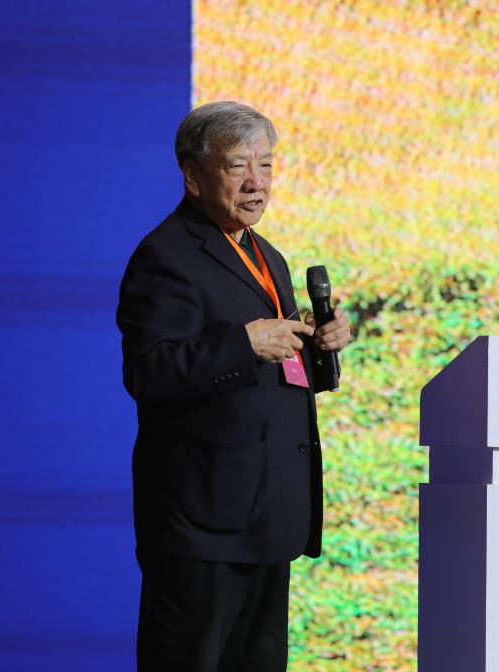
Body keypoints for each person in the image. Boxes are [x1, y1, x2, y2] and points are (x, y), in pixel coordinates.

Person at [116, 101, 351, 671]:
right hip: (203, 523)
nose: (256, 182)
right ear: (193, 176)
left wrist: (318, 347)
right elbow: (150, 371)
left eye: (265, 165)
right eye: (238, 165)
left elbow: (279, 367)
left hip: (268, 514)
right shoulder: (165, 256)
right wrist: (243, 346)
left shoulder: (268, 256)